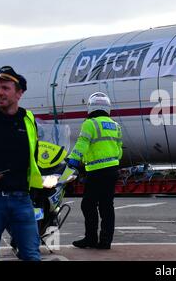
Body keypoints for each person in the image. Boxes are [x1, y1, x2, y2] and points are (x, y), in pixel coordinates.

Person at [0, 66, 43, 261]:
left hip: (22, 199)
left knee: (32, 255)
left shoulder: (29, 120)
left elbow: (34, 152)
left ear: (19, 93)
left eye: (5, 88)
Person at [67, 92, 122, 250]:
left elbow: (82, 143)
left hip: (96, 171)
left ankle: (90, 238)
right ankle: (105, 241)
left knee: (88, 204)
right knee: (106, 206)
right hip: (112, 170)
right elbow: (119, 151)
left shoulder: (90, 124)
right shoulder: (115, 126)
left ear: (91, 107)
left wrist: (73, 160)